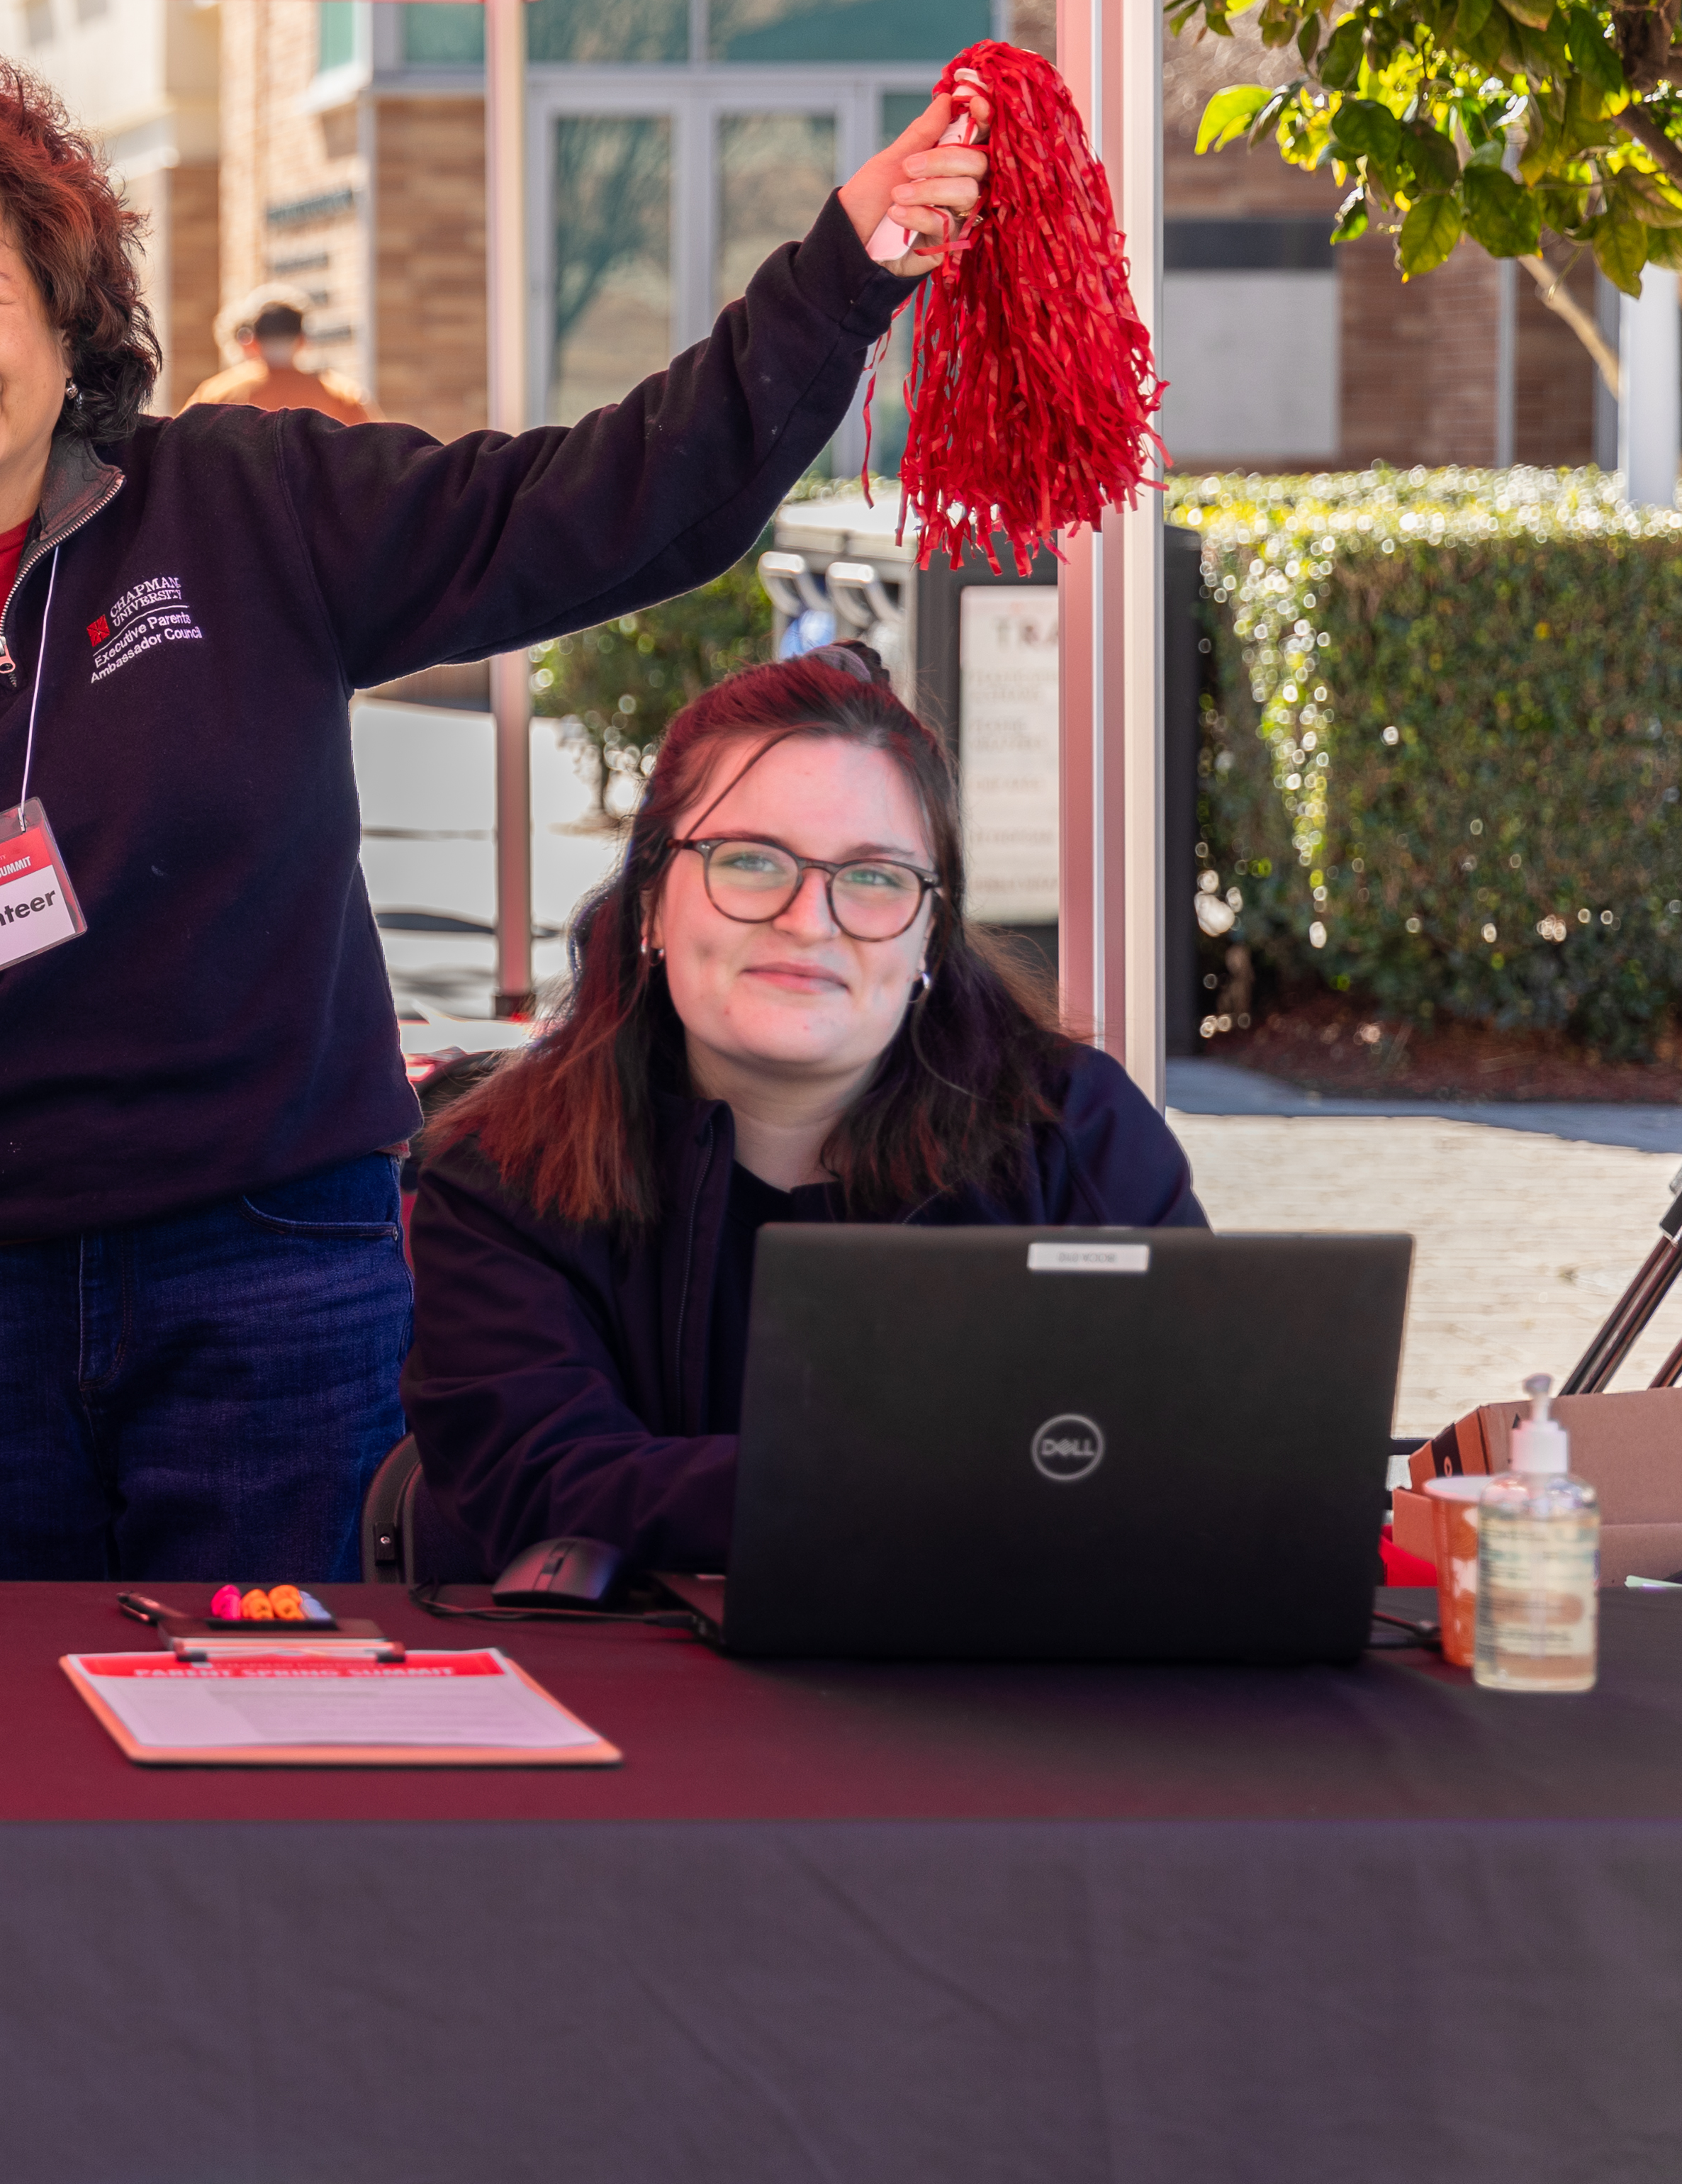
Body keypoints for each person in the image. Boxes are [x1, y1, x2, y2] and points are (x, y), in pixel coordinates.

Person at [0, 50, 986, 1586]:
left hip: (277, 1278)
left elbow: (592, 509)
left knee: (285, 1755)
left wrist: (838, 277)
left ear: (60, 313)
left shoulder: (243, 505)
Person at [402, 645, 1206, 1580]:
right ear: (655, 904)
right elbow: (546, 1489)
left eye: (873, 877)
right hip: (638, 1710)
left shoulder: (1073, 1131)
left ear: (929, 938)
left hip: (1009, 1707)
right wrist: (946, 1486)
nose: (809, 919)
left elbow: (1186, 1455)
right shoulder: (501, 1175)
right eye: (751, 861)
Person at [180, 300, 370, 424]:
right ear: (303, 341)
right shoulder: (342, 396)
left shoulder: (215, 394)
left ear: (252, 341)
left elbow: (177, 446)